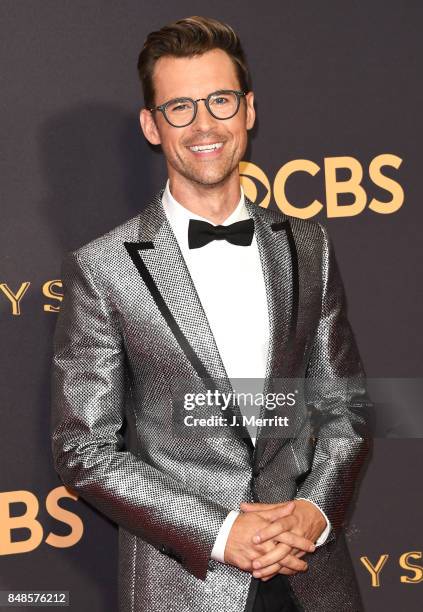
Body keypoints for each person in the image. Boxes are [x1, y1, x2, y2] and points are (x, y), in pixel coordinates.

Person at [50, 15, 370, 612]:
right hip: (184, 583)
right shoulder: (104, 268)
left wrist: (313, 512)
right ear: (152, 125)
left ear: (248, 110)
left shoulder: (308, 245)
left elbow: (343, 405)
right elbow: (85, 449)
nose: (204, 125)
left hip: (312, 578)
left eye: (220, 101)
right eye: (180, 107)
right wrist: (222, 532)